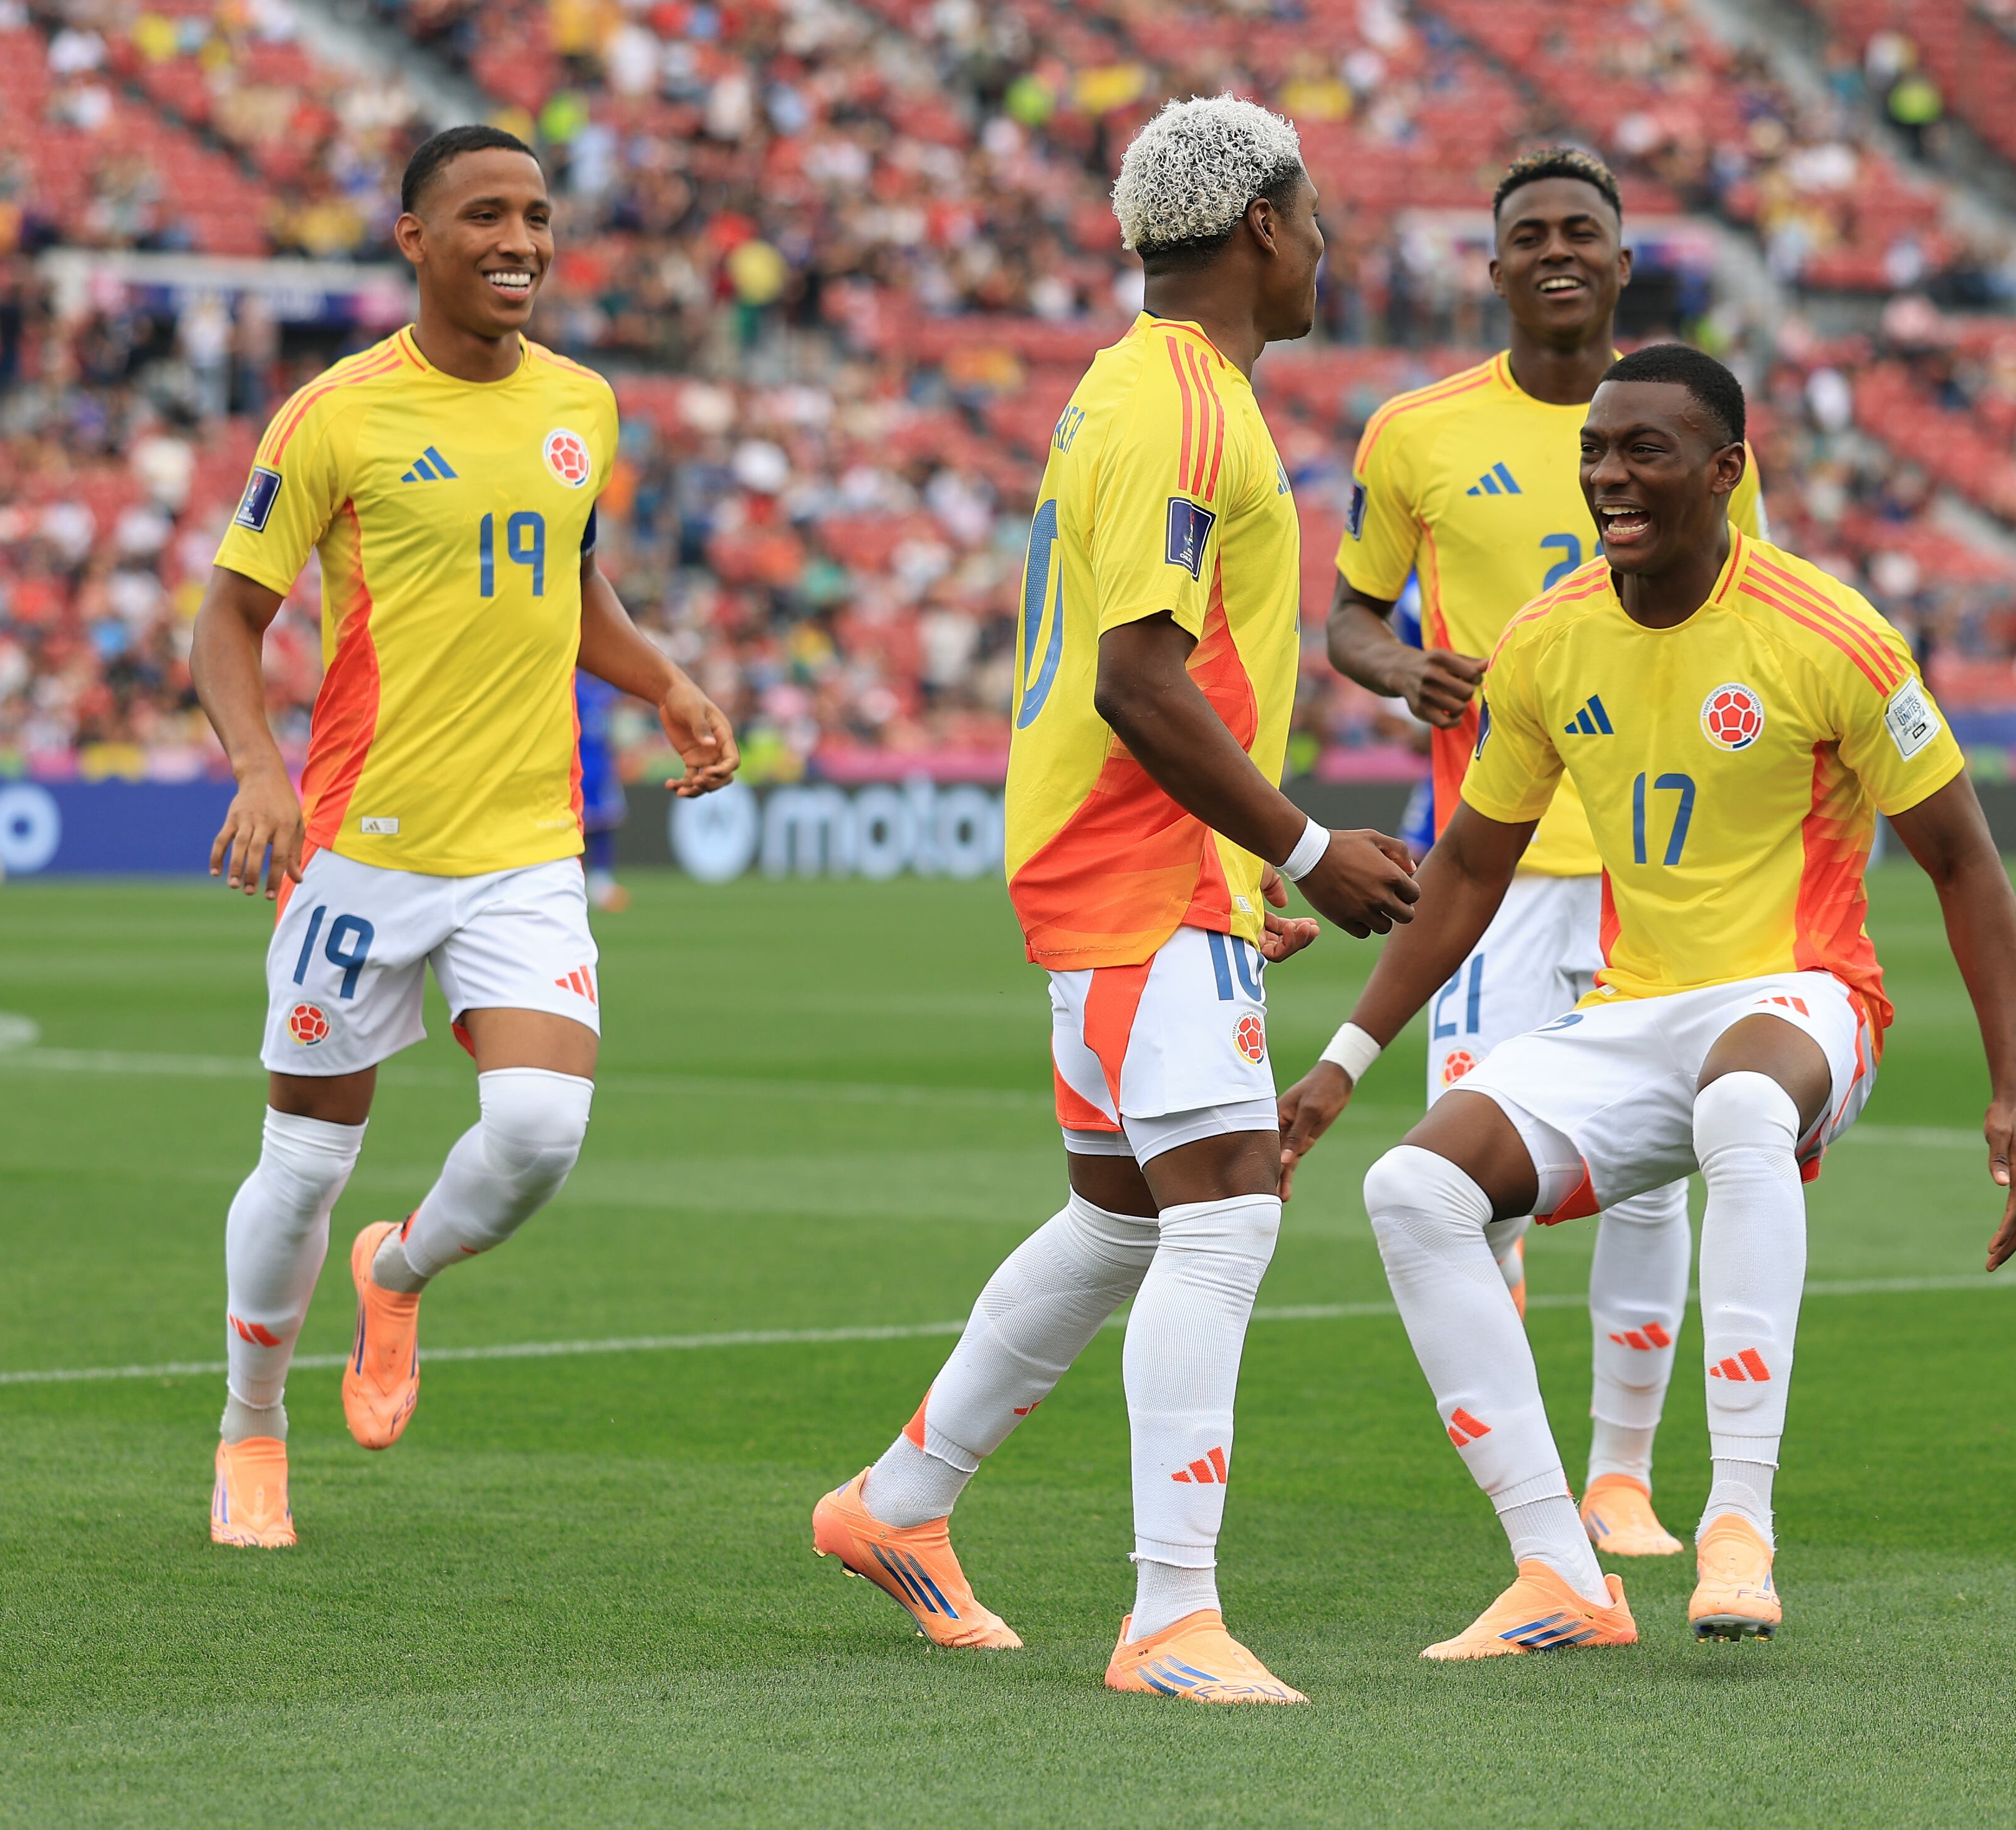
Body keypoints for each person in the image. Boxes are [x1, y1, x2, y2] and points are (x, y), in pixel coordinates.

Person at [1280, 345, 2016, 1657]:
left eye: (1644, 451)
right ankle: (1556, 1568)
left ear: (1727, 471)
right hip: (1638, 1012)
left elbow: (1964, 861)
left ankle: (1737, 1520)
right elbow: (1468, 866)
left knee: (1741, 1102)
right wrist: (1344, 1060)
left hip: (1808, 999)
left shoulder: (1833, 634)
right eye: (1595, 451)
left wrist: (2013, 1088)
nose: (1609, 478)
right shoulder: (1549, 635)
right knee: (1411, 1191)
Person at [803, 97, 1418, 1705]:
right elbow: (1141, 677)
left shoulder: (1130, 393)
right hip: (1136, 866)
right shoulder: (1184, 411)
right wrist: (1301, 850)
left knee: (1121, 1218)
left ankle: (899, 1504)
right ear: (1263, 228)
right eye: (1318, 217)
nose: (1328, 247)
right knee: (1222, 1222)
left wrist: (1241, 870)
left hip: (1138, 868)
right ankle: (1168, 1617)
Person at [193, 123, 739, 1548]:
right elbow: (227, 619)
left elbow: (571, 582)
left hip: (523, 845)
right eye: (484, 215)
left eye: (538, 216)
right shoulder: (336, 415)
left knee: (543, 1130)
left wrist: (665, 678)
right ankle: (252, 1429)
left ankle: (403, 1269)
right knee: (302, 1160)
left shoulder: (583, 404)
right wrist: (258, 768)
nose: (519, 241)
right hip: (359, 851)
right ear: (414, 239)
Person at [1324, 147, 1767, 1559]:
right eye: (1532, 233)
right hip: (1494, 863)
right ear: (1497, 265)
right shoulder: (1416, 436)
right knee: (1472, 1172)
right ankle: (1528, 1494)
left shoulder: (1690, 428)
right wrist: (1403, 671)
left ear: (1626, 262)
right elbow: (1345, 616)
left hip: (1655, 858)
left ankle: (1619, 1478)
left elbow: (1736, 610)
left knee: (1654, 1171)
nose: (1558, 250)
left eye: (1585, 230)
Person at [575, 670, 629, 910]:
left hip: (600, 767)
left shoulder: (599, 691)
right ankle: (588, 882)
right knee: (582, 827)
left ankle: (601, 883)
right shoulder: (577, 689)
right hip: (580, 768)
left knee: (604, 824)